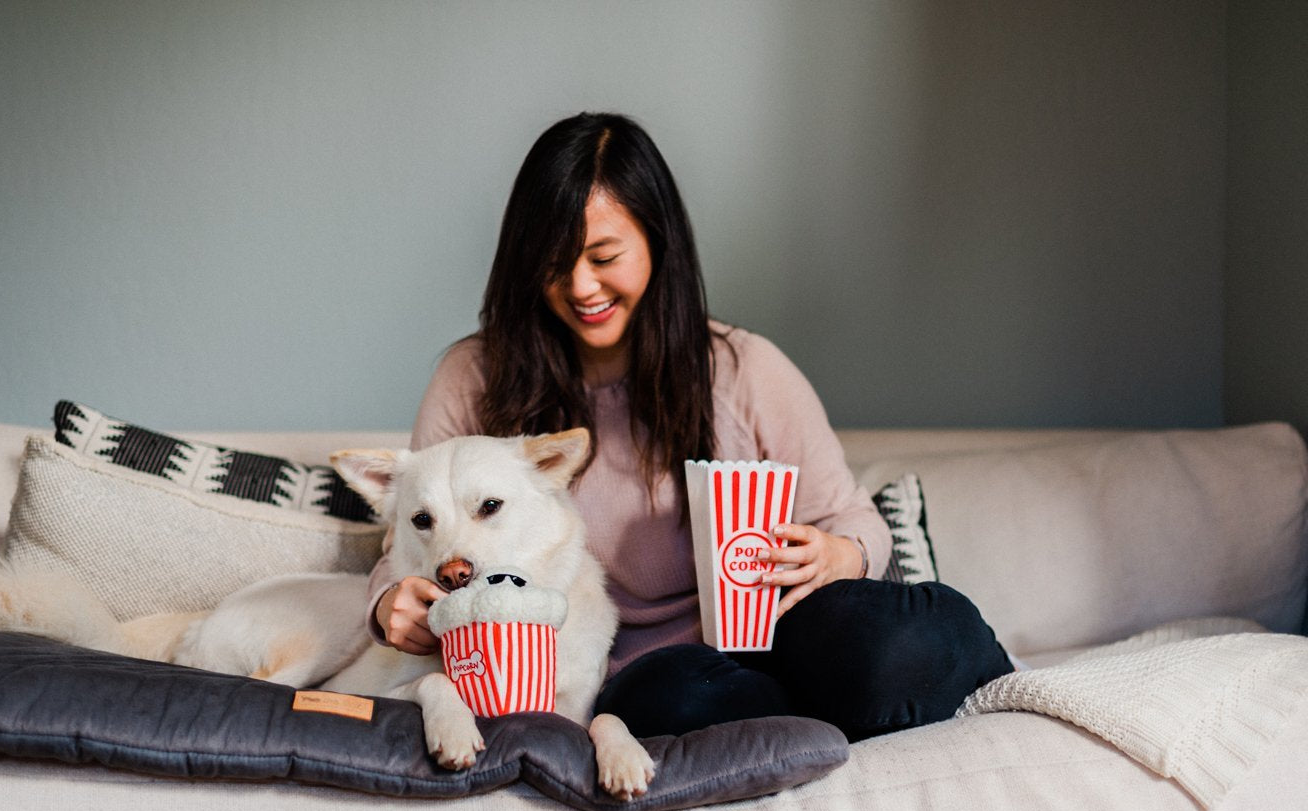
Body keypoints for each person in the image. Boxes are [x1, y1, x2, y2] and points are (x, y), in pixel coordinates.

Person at [366, 112, 1013, 741]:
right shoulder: (476, 378)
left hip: (778, 635)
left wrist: (840, 554)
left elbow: (856, 521)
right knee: (683, 698)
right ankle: (828, 713)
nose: (580, 285)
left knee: (900, 642)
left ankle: (857, 694)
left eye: (603, 255)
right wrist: (387, 604)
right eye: (553, 262)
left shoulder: (743, 370)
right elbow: (406, 539)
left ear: (656, 239)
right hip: (625, 677)